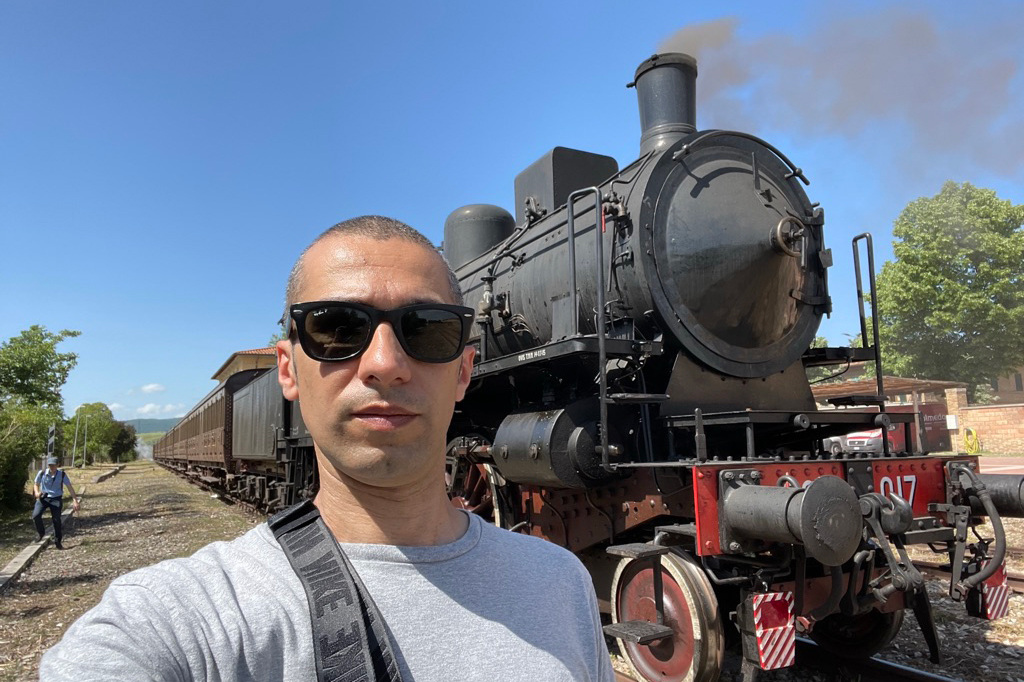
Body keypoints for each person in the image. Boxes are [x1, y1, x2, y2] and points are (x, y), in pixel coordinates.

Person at [41, 216, 613, 682]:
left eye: (428, 329)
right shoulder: (182, 616)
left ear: (466, 371)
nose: (385, 364)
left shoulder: (564, 586)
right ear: (287, 371)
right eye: (338, 327)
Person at [33, 456, 80, 550]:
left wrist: (75, 500)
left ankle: (58, 541)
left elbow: (69, 487)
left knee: (56, 520)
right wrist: (37, 493)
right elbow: (36, 484)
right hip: (43, 497)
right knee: (36, 515)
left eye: (53, 465)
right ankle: (41, 532)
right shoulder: (42, 473)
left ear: (57, 465)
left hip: (56, 499)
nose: (51, 467)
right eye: (50, 465)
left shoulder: (62, 474)